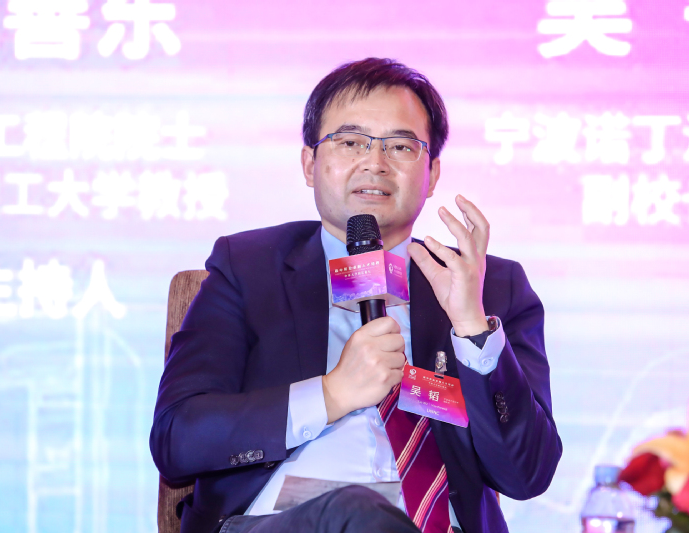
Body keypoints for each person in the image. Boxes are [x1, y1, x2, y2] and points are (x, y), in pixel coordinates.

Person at [150, 58, 562, 533]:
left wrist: (472, 331)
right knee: (358, 513)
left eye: (400, 146)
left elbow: (528, 475)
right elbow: (177, 439)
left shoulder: (490, 286)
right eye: (350, 142)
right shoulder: (249, 267)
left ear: (432, 173)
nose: (375, 163)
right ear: (310, 164)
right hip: (283, 521)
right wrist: (332, 393)